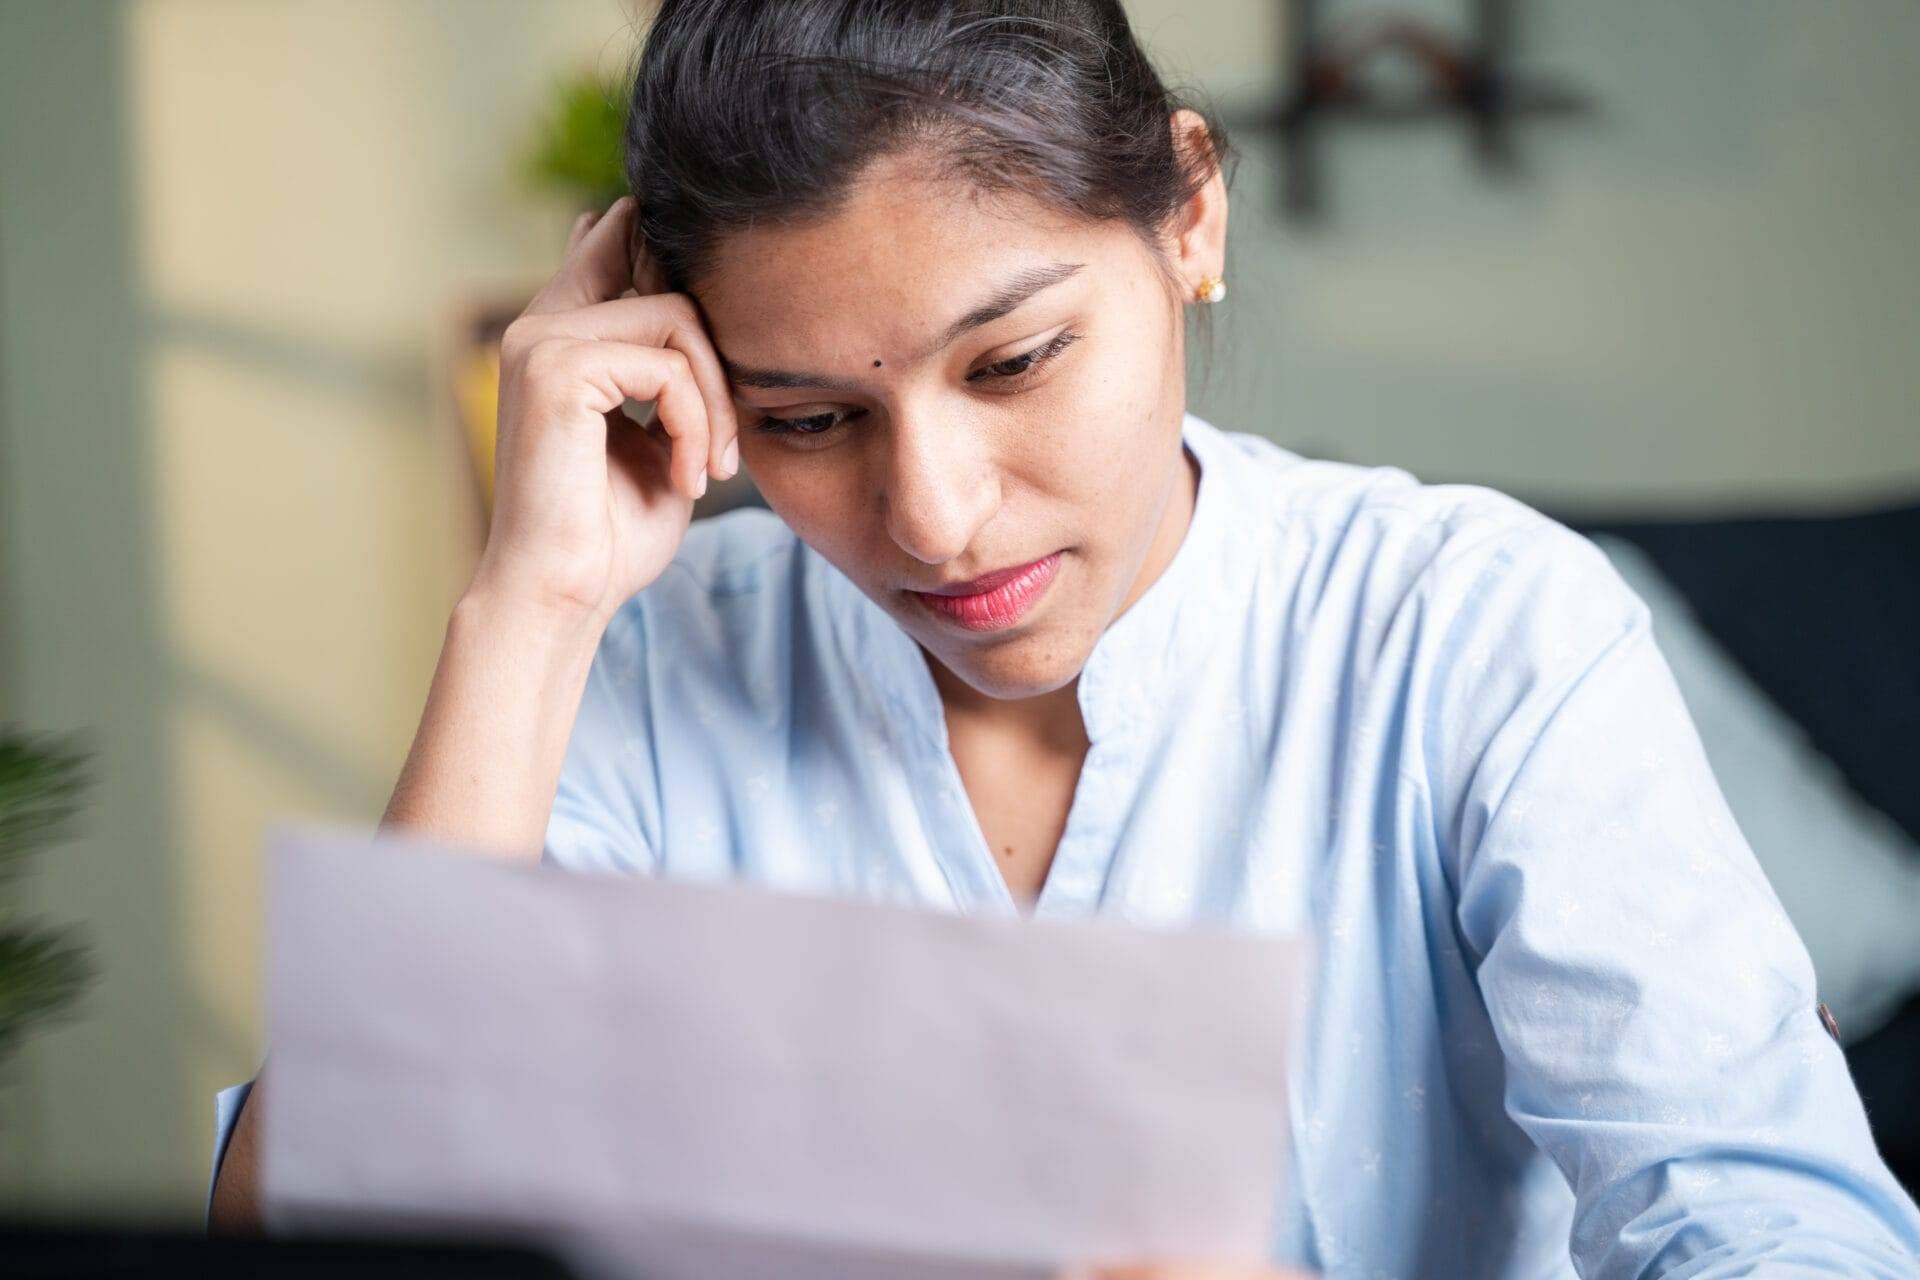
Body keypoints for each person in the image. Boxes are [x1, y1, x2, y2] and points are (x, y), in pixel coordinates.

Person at [209, 1, 1920, 1274]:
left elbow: (1777, 1235)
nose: (938, 516)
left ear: (1190, 213)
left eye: (1012, 363)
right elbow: (320, 1228)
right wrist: (531, 606)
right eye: (808, 419)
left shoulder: (1480, 635)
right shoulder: (645, 675)